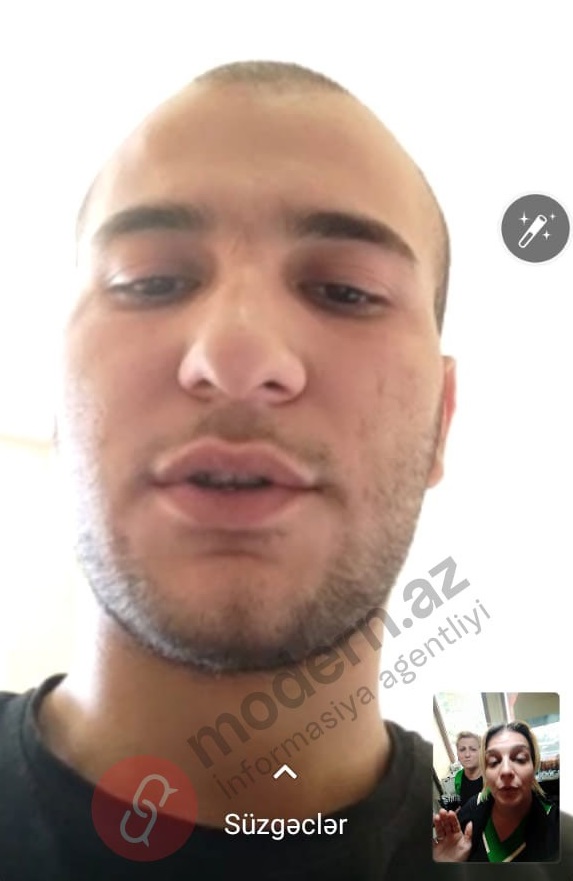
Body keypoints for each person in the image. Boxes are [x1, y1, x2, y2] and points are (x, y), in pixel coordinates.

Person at [0, 59, 570, 880]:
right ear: (57, 398)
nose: (237, 356)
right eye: (150, 280)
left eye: (344, 291)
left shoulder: (528, 853)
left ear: (440, 422)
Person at [433, 721, 560, 863]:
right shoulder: (473, 806)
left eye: (520, 759)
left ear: (534, 765)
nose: (506, 770)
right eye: (493, 762)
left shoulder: (557, 827)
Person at [454, 731, 483, 807]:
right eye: (462, 749)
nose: (467, 755)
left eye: (473, 749)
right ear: (457, 754)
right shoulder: (458, 777)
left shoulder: (492, 776)